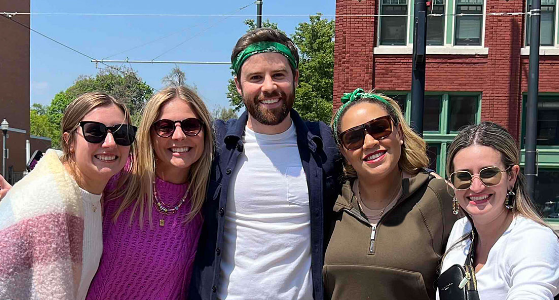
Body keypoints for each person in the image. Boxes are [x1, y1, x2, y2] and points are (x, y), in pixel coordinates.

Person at [189, 28, 342, 300]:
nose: (268, 87)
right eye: (255, 78)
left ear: (295, 78)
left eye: (279, 75)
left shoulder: (325, 144)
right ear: (238, 84)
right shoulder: (214, 144)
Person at [0, 92, 135, 299]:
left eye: (122, 133)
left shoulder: (97, 197)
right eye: (94, 132)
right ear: (69, 141)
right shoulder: (48, 201)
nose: (109, 142)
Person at [324, 88, 459, 300]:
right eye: (353, 138)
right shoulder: (330, 202)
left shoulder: (437, 195)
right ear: (344, 152)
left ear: (400, 133)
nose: (369, 143)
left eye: (379, 128)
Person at [86, 86, 214, 299]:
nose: (179, 136)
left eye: (191, 126)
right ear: (150, 133)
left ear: (205, 132)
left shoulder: (209, 200)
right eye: (165, 127)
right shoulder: (119, 177)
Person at [439, 121, 559, 299]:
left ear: (511, 176)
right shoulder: (460, 230)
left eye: (489, 173)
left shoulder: (534, 240)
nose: (476, 186)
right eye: (463, 177)